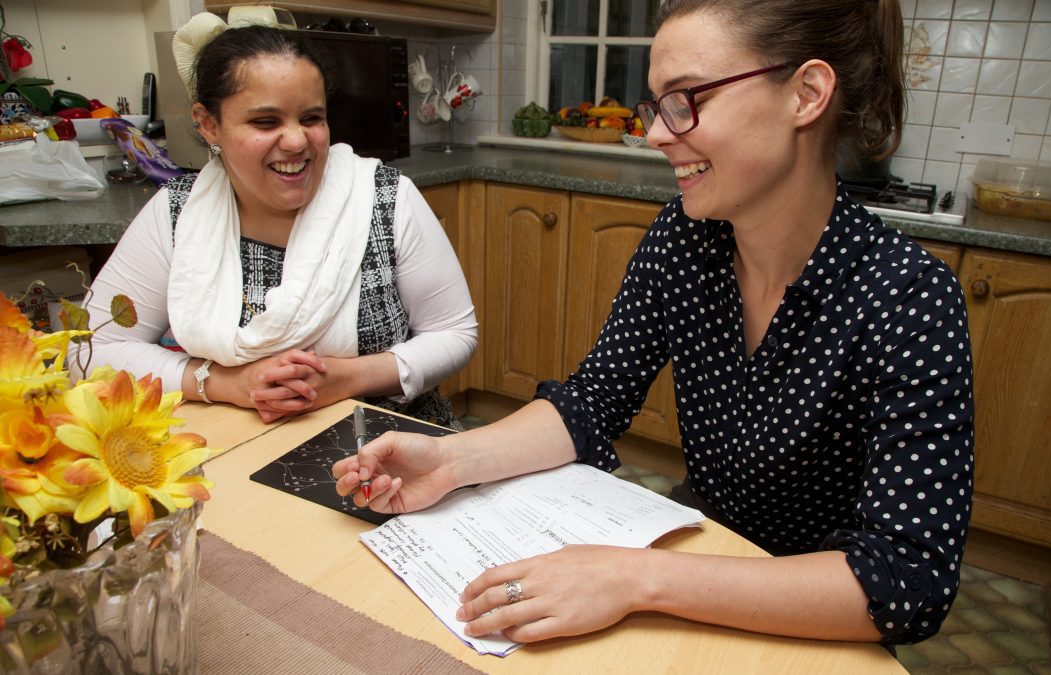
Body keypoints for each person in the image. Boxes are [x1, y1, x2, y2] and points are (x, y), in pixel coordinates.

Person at [334, 0, 974, 647]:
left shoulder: (908, 298)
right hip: (698, 570)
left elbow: (904, 580)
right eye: (655, 106)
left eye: (685, 99)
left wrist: (634, 578)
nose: (657, 134)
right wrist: (449, 459)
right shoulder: (686, 239)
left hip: (814, 621)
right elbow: (592, 401)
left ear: (806, 94)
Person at [78, 16, 477, 426]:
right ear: (208, 123)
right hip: (234, 450)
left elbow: (455, 334)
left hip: (398, 444)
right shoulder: (177, 214)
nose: (297, 141)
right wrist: (225, 383)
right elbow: (90, 351)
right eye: (265, 122)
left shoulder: (385, 199)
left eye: (311, 118)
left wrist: (347, 379)